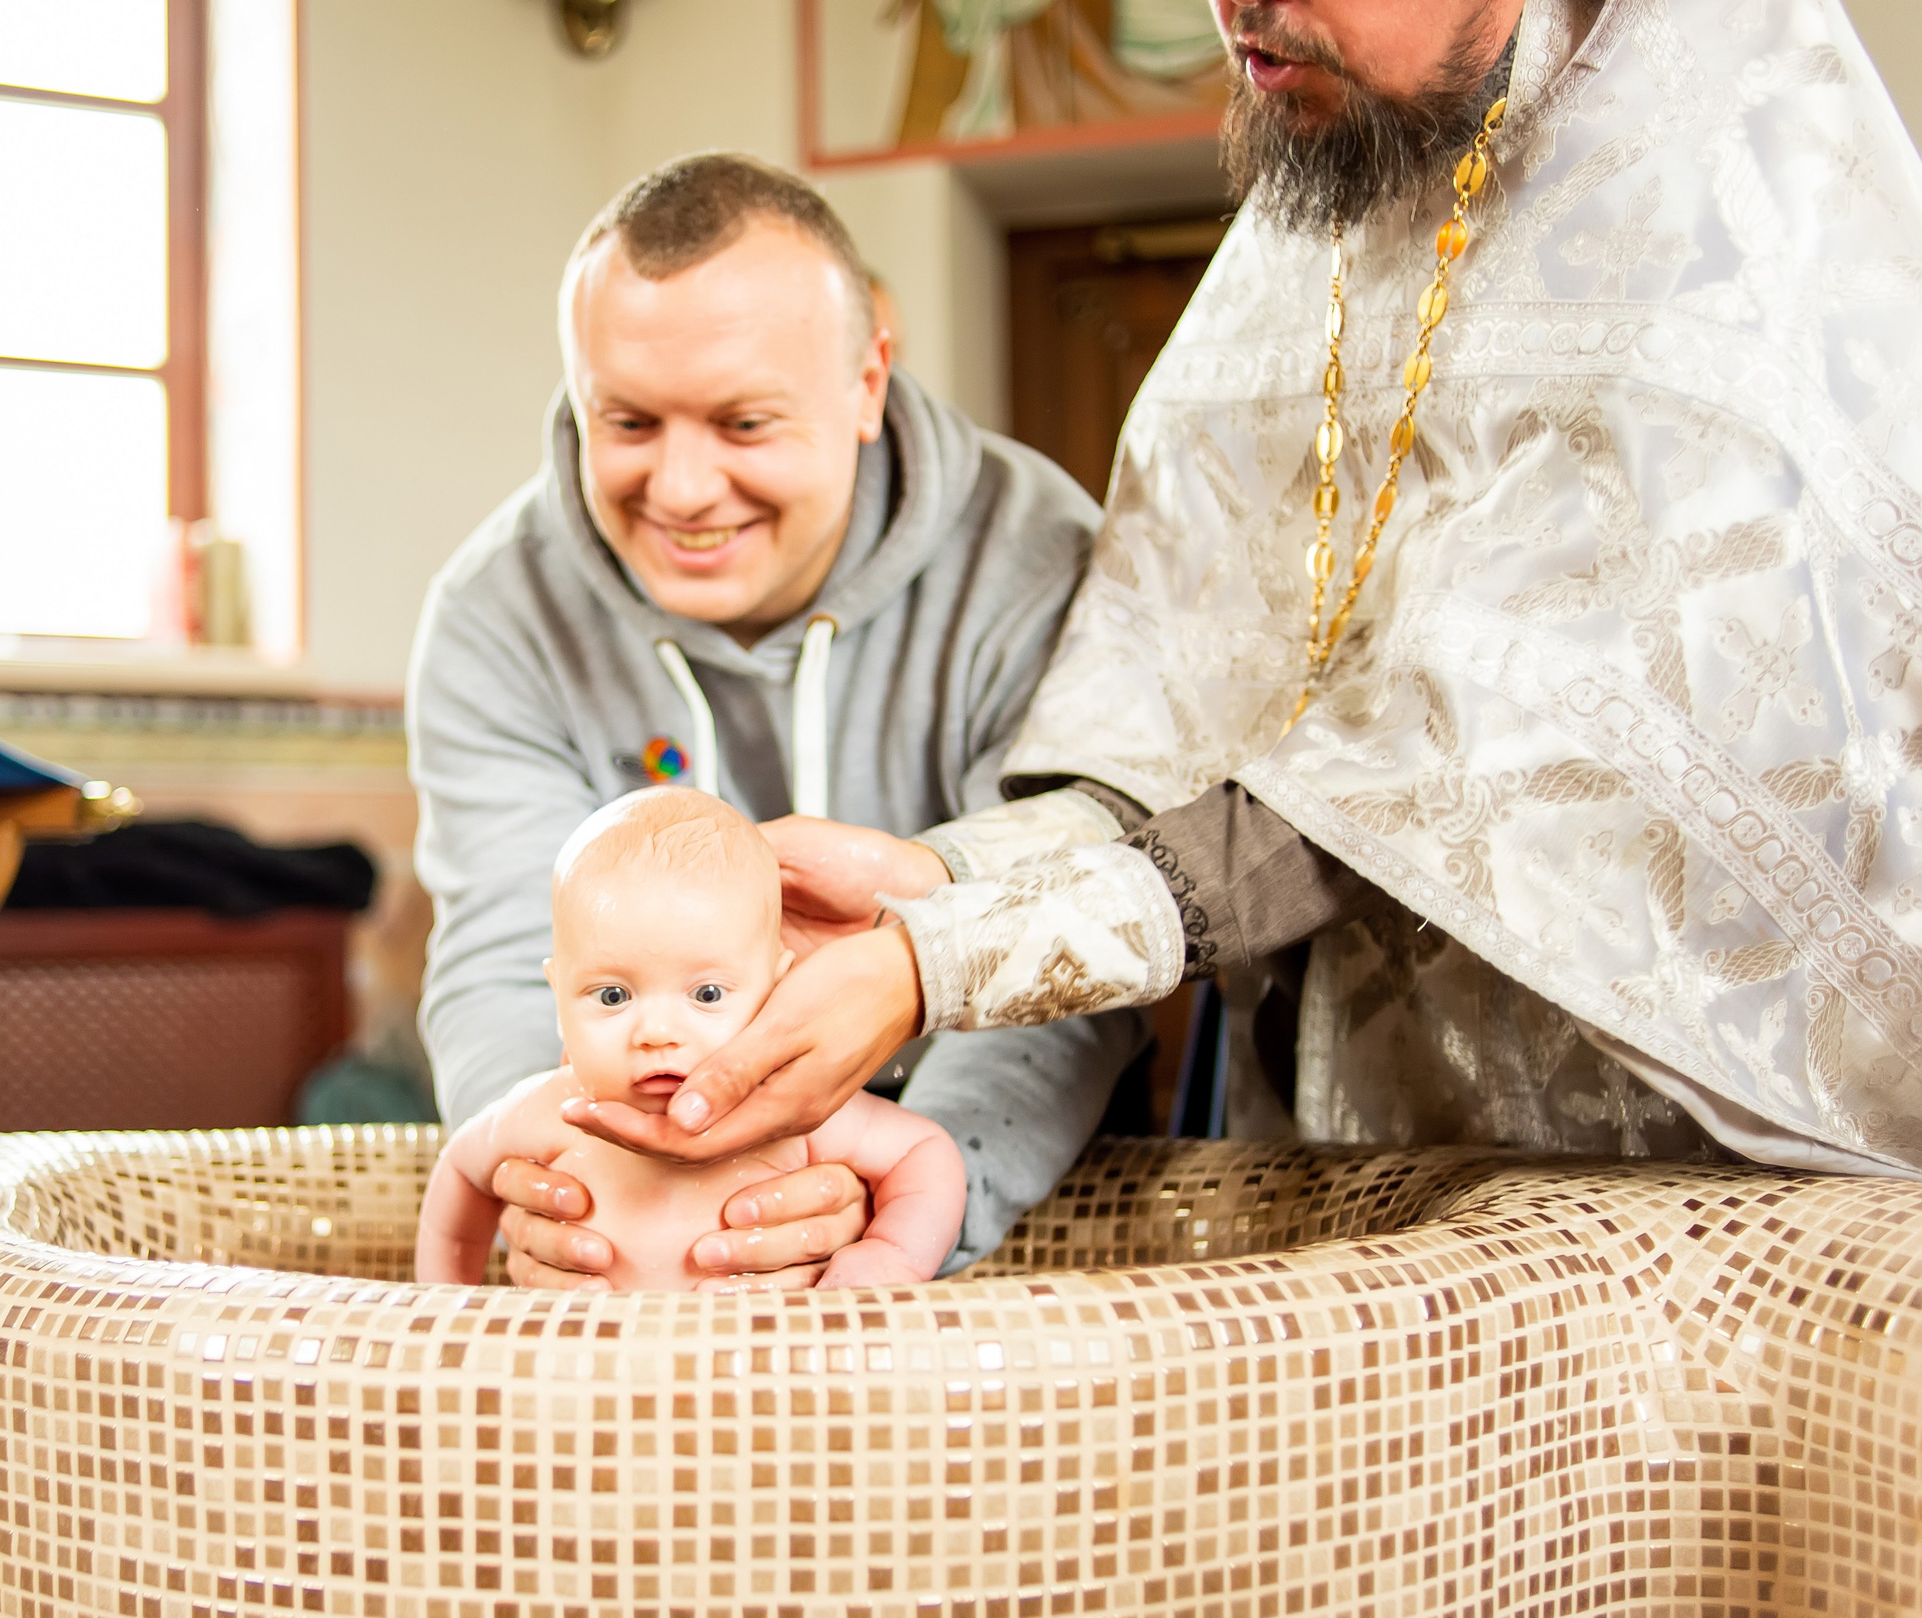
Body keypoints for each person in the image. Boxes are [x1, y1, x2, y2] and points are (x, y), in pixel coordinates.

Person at [551, 0, 1922, 1186]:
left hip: (1700, 1204)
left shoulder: (1725, 246)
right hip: (1369, 1175)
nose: (1239, 9)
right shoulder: (1332, 208)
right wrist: (943, 875)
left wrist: (939, 958)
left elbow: (1435, 781)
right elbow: (1194, 732)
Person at [409, 152, 1149, 1290]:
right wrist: (549, 1195)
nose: (685, 488)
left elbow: (1068, 928)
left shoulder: (1040, 560)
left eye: (744, 423)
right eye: (629, 422)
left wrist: (901, 1208)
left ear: (866, 382)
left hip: (986, 1193)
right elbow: (508, 952)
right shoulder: (491, 614)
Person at [415, 789, 962, 1289]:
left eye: (705, 995)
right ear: (559, 1000)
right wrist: (446, 1306)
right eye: (611, 996)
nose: (656, 1033)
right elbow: (461, 1171)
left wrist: (891, 1254)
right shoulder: (550, 1112)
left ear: (778, 986)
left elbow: (925, 1152)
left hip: (772, 1384)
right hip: (591, 1382)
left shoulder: (794, 1114)